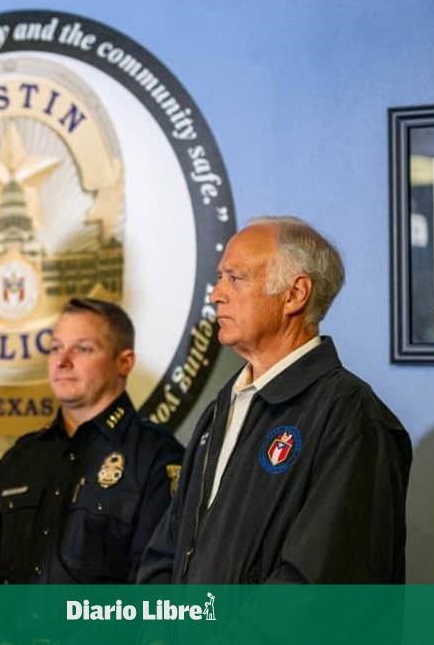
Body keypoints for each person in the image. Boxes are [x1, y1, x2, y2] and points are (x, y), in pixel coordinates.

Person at [137, 216, 412, 584]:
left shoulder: (350, 415)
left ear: (295, 294)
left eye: (234, 278)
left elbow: (319, 583)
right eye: (219, 278)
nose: (216, 294)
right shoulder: (222, 409)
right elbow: (167, 553)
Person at [0, 298, 183, 585]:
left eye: (82, 349)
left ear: (124, 362)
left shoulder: (156, 457)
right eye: (55, 348)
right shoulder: (22, 457)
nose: (62, 362)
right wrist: (2, 618)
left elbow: (158, 582)